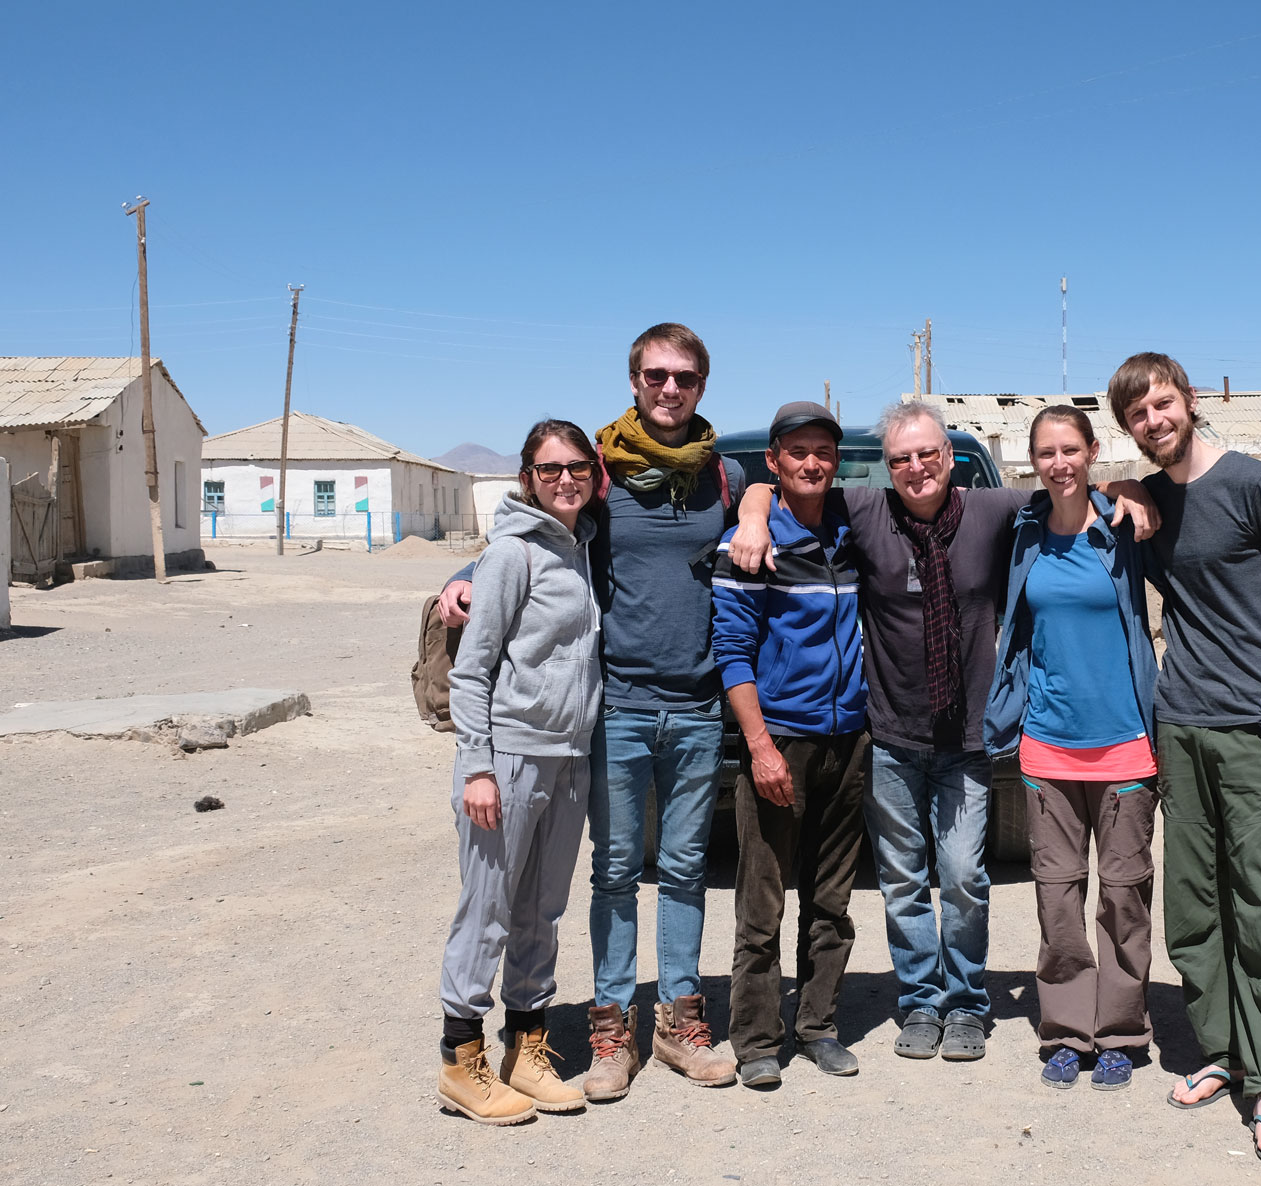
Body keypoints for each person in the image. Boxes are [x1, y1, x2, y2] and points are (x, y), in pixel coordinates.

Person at [726, 402, 1158, 1063]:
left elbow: (1066, 485)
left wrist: (1124, 487)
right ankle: (919, 1002)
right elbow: (783, 482)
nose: (915, 468)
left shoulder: (993, 511)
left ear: (950, 458)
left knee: (961, 876)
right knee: (900, 883)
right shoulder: (865, 512)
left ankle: (966, 1004)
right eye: (900, 459)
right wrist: (753, 510)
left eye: (927, 454)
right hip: (890, 735)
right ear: (886, 467)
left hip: (968, 739)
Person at [440, 323, 742, 1099]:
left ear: (702, 385)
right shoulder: (602, 471)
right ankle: (611, 1029)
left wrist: (766, 500)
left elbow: (783, 498)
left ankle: (678, 1021)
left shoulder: (725, 477)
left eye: (684, 377)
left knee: (683, 869)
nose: (669, 389)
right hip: (618, 707)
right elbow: (543, 523)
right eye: (654, 375)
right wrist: (466, 570)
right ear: (634, 382)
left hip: (699, 705)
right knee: (612, 872)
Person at [1107, 351, 1261, 1166]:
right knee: (1194, 909)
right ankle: (1223, 1051)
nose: (1152, 421)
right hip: (1182, 722)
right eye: (1136, 414)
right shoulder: (1152, 499)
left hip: (1257, 724)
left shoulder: (1252, 483)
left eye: (1161, 404)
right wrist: (1119, 487)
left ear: (1189, 401)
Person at [982, 406, 1159, 1094]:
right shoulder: (1022, 533)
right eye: (1046, 452)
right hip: (1047, 748)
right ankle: (1064, 1031)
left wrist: (1136, 488)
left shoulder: (1122, 530)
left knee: (1123, 899)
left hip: (1124, 748)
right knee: (1057, 900)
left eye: (1070, 450)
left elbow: (1173, 491)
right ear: (1033, 461)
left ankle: (1117, 1031)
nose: (1059, 463)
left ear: (1090, 453)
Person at [436, 419, 605, 1125]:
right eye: (548, 469)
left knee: (543, 909)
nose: (564, 480)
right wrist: (476, 765)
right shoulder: (511, 554)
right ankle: (460, 1060)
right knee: (489, 909)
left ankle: (525, 1048)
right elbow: (470, 672)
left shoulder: (586, 548)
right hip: (507, 757)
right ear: (527, 478)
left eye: (576, 468)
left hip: (568, 757)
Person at [711, 402, 870, 1089]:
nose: (812, 463)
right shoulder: (746, 544)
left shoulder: (852, 526)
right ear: (773, 462)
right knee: (762, 898)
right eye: (797, 452)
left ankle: (817, 1027)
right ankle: (754, 1039)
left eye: (823, 452)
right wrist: (761, 748)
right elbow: (731, 653)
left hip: (850, 740)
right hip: (783, 742)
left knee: (832, 900)